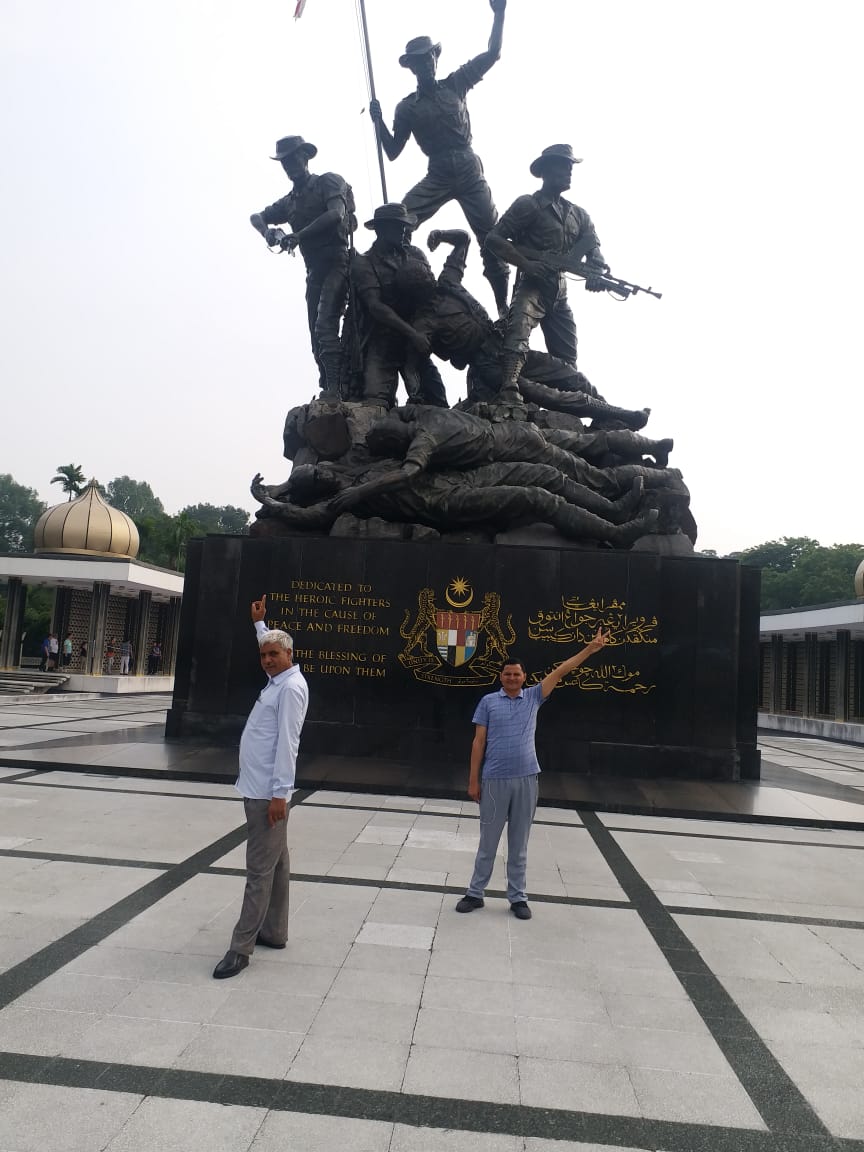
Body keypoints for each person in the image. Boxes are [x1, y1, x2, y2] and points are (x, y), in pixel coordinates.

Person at [369, 0, 511, 315]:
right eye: (418, 62)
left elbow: (492, 54)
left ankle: (503, 308)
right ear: (411, 67)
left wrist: (499, 14)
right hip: (438, 172)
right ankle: (403, 283)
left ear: (436, 57)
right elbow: (392, 152)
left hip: (468, 167)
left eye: (428, 58)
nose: (425, 65)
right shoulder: (407, 107)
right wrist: (378, 122)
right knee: (399, 219)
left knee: (493, 239)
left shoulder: (456, 84)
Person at [457, 629, 609, 920]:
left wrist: (590, 649)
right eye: (507, 674)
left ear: (524, 677)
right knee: (488, 842)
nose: (512, 678)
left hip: (526, 779)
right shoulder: (488, 702)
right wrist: (473, 780)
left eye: (517, 674)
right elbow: (478, 742)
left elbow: (562, 670)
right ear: (501, 677)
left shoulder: (534, 697)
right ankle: (475, 893)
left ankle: (518, 898)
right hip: (494, 780)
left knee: (519, 843)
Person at [213, 596, 309, 979]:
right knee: (277, 863)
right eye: (263, 655)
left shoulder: (290, 689)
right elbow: (268, 643)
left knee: (258, 871)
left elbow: (288, 743)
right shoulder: (277, 681)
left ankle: (241, 948)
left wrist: (280, 794)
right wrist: (259, 625)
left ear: (289, 654)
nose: (267, 659)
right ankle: (275, 931)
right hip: (256, 788)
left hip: (266, 794)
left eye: (274, 654)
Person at [486, 144, 608, 402]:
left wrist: (596, 274)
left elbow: (595, 254)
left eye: (570, 167)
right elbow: (494, 239)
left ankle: (571, 403)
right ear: (546, 170)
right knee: (518, 330)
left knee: (567, 356)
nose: (569, 172)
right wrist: (527, 264)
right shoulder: (528, 205)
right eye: (563, 166)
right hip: (532, 285)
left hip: (559, 292)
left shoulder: (579, 215)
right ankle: (509, 387)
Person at [250, 135, 353, 397]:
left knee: (324, 325)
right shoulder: (290, 201)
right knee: (315, 336)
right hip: (314, 271)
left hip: (338, 263)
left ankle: (336, 390)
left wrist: (299, 235)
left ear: (305, 157)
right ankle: (329, 384)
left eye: (293, 159)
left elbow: (336, 214)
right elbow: (256, 216)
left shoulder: (327, 181)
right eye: (284, 163)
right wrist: (267, 232)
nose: (289, 166)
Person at [349, 202, 448, 407]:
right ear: (382, 229)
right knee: (375, 399)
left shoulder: (415, 255)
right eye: (398, 226)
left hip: (416, 336)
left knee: (435, 395)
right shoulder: (364, 263)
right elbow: (376, 307)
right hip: (384, 339)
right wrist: (412, 333)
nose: (404, 231)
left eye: (405, 226)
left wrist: (423, 331)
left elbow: (431, 292)